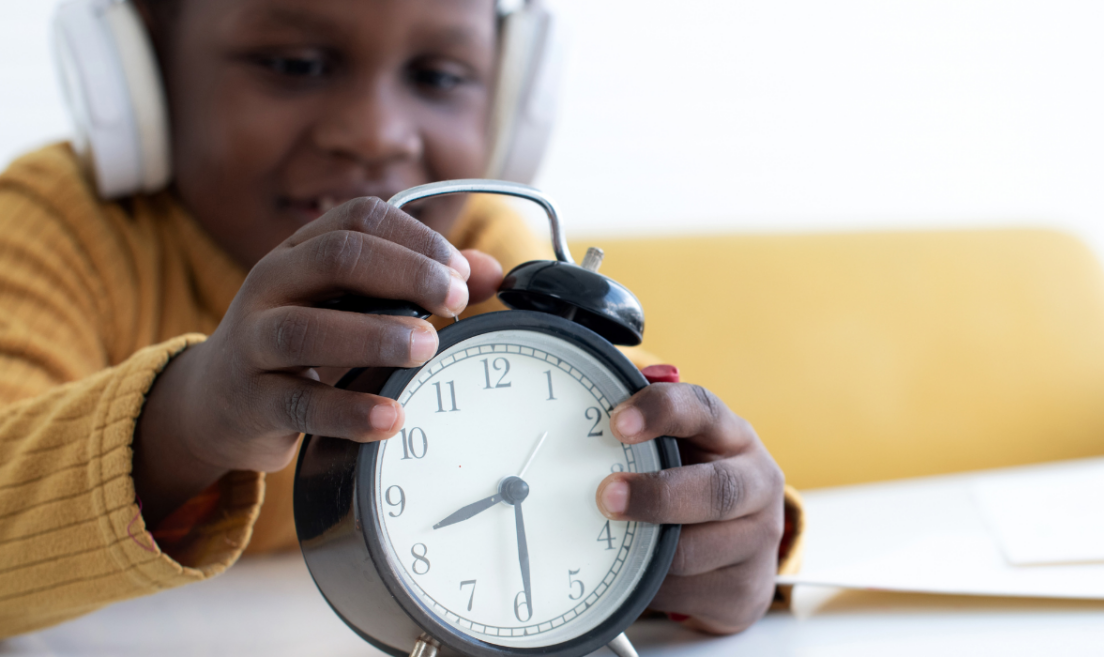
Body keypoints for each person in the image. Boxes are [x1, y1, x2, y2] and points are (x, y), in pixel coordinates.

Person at [0, 0, 801, 641]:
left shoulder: (476, 246)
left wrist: (706, 544)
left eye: (439, 74)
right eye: (295, 64)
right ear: (139, 70)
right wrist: (189, 417)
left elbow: (614, 458)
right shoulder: (56, 227)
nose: (375, 133)